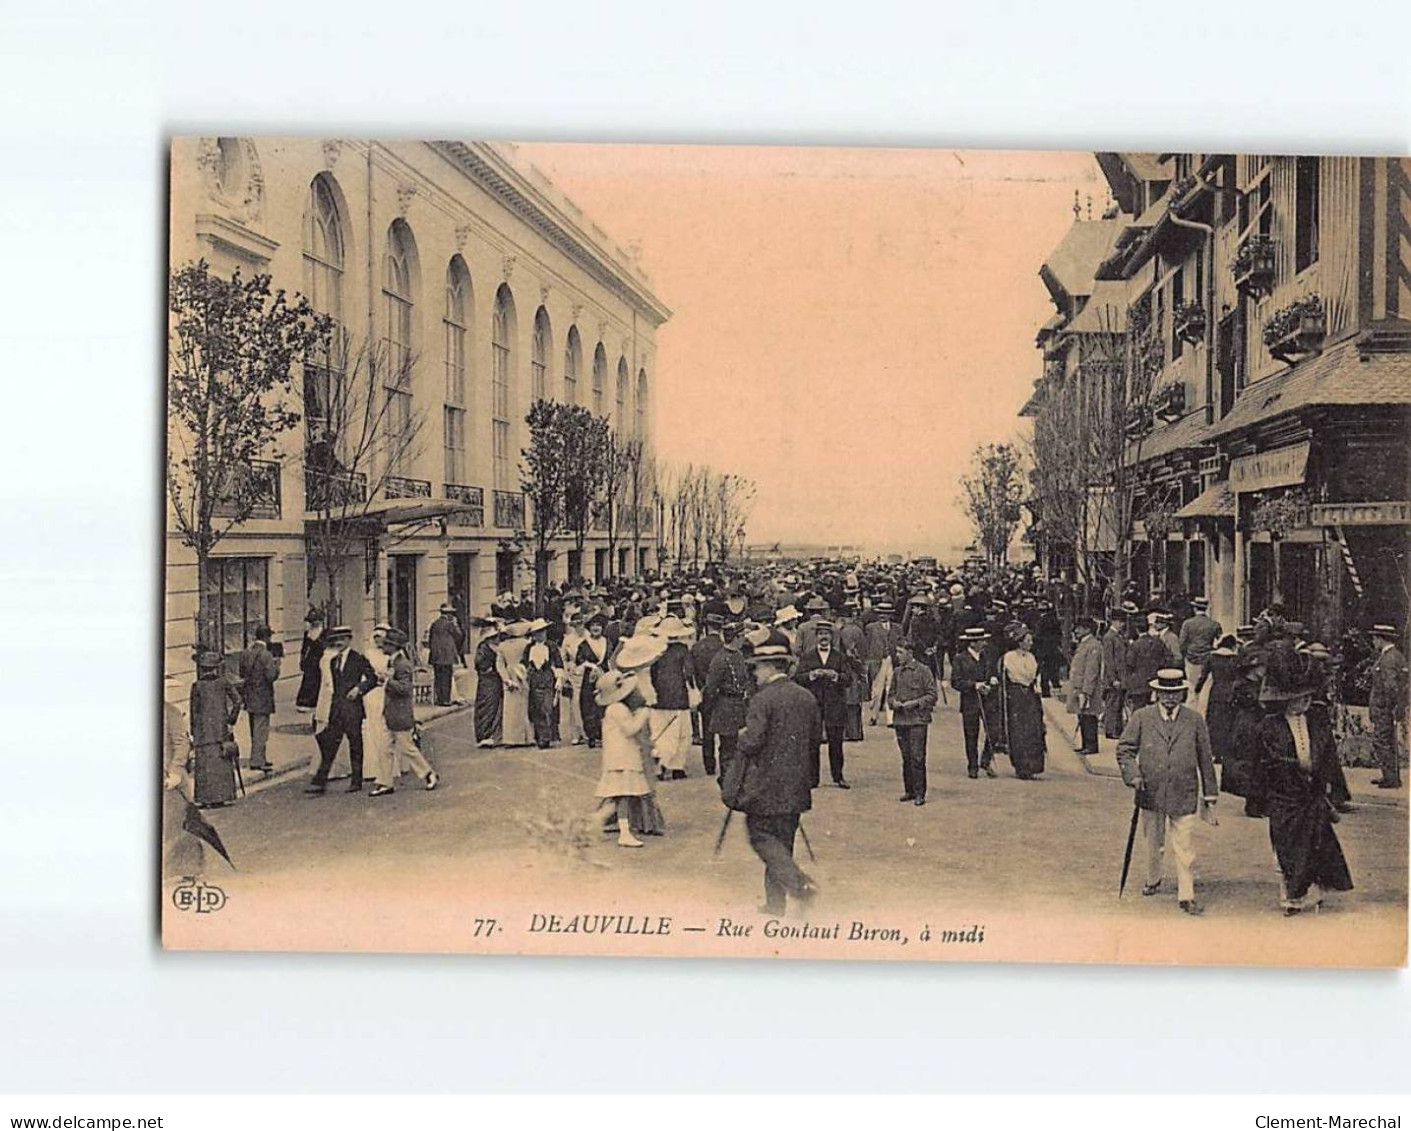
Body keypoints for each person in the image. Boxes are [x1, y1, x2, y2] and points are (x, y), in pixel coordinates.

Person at [730, 629, 822, 916]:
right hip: (797, 785)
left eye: (756, 667)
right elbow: (814, 741)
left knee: (761, 836)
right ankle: (774, 904)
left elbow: (752, 742)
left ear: (769, 666)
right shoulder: (806, 697)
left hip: (765, 786)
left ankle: (798, 886)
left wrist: (742, 735)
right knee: (783, 843)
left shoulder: (762, 699)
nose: (754, 673)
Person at [1116, 668, 1219, 915]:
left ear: (1182, 693)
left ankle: (1187, 894)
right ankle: (1153, 879)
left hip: (1184, 791)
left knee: (1184, 845)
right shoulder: (1142, 717)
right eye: (1165, 693)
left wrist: (1210, 794)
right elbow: (1125, 750)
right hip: (1150, 790)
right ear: (1157, 693)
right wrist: (1133, 776)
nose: (1170, 699)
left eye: (1175, 694)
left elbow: (1206, 758)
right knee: (1154, 841)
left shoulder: (1194, 720)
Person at [1257, 670, 1353, 915]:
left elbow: (1328, 755)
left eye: (1308, 698)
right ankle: (1290, 897)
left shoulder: (1316, 722)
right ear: (1286, 700)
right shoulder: (1270, 725)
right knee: (1286, 847)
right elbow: (1266, 762)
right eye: (1300, 699)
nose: (1305, 703)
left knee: (1314, 844)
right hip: (1285, 795)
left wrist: (1327, 782)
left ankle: (1312, 893)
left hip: (1312, 793)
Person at [589, 633, 669, 842]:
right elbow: (631, 728)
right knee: (625, 791)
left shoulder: (623, 691)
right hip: (623, 755)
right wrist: (644, 713)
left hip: (622, 753)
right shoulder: (621, 704)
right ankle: (628, 826)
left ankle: (605, 821)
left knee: (622, 792)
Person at [304, 626, 379, 795]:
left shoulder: (358, 659)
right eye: (336, 640)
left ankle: (356, 780)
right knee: (328, 742)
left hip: (353, 709)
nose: (338, 642)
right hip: (337, 708)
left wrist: (359, 689)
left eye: (342, 639)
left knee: (355, 744)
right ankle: (320, 782)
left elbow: (372, 678)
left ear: (349, 640)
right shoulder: (332, 661)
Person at [368, 630, 439, 796]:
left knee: (407, 748)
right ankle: (385, 782)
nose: (382, 646)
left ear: (393, 647)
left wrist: (386, 680)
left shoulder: (402, 664)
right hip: (391, 712)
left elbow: (405, 689)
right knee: (385, 748)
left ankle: (429, 774)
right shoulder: (393, 662)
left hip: (400, 713)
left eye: (386, 644)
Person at [794, 619, 859, 789]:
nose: (824, 637)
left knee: (836, 742)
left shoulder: (839, 657)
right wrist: (811, 675)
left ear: (831, 637)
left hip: (834, 703)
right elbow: (798, 678)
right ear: (816, 637)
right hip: (814, 704)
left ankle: (838, 777)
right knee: (812, 742)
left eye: (827, 634)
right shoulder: (808, 657)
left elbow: (848, 679)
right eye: (821, 634)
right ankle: (812, 778)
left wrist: (835, 675)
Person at [189, 650, 241, 808]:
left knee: (205, 766)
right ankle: (223, 796)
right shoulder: (223, 683)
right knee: (221, 764)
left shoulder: (197, 686)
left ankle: (206, 799)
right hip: (220, 731)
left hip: (203, 733)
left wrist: (194, 731)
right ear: (216, 668)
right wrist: (231, 720)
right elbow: (237, 701)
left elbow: (194, 711)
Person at [703, 620, 752, 788]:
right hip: (725, 705)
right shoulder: (719, 659)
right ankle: (726, 780)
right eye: (742, 636)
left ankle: (735, 778)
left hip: (739, 705)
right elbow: (710, 688)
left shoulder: (738, 655)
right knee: (727, 747)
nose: (744, 639)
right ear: (736, 638)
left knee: (739, 744)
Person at [889, 639, 938, 805]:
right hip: (901, 720)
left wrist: (915, 703)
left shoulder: (924, 671)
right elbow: (890, 694)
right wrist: (893, 703)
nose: (897, 656)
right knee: (906, 757)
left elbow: (932, 695)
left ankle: (920, 793)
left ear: (910, 653)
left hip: (918, 720)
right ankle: (909, 790)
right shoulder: (897, 672)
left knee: (917, 757)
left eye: (900, 652)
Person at [649, 615, 697, 780]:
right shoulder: (683, 650)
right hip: (679, 695)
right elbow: (689, 673)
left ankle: (661, 763)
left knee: (661, 732)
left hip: (659, 696)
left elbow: (652, 674)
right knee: (683, 733)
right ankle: (677, 766)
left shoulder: (656, 649)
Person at [999, 623, 1046, 780]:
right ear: (1020, 641)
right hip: (1016, 696)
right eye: (1028, 640)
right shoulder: (1009, 657)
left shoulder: (1032, 657)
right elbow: (1018, 675)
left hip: (1030, 696)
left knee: (1033, 729)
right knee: (1019, 731)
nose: (1030, 643)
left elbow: (1032, 674)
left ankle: (1034, 765)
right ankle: (1021, 766)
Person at [950, 626, 997, 779]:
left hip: (988, 699)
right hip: (970, 701)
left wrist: (991, 681)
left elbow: (992, 673)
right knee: (971, 734)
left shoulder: (987, 656)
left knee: (993, 731)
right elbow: (956, 682)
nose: (984, 643)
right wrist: (974, 685)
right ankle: (973, 765)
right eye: (981, 641)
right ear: (972, 643)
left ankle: (985, 759)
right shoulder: (960, 658)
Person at [1367, 622, 1407, 789]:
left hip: (1383, 708)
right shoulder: (1395, 655)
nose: (1373, 642)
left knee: (1381, 741)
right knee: (1387, 741)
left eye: (1375, 638)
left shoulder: (1388, 658)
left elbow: (1391, 686)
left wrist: (1392, 707)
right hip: (1387, 708)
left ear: (1381, 639)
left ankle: (1390, 778)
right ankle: (1391, 776)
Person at [237, 624, 281, 773]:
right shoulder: (266, 655)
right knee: (261, 730)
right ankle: (257, 760)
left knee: (254, 730)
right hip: (263, 696)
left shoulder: (246, 653)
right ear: (267, 637)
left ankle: (259, 757)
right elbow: (271, 676)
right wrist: (277, 665)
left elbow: (241, 673)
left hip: (250, 696)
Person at [691, 614, 726, 775]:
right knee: (725, 730)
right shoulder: (725, 647)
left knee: (707, 730)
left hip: (705, 691)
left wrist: (701, 687)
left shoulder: (697, 647)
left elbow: (691, 672)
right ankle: (725, 762)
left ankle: (709, 764)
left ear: (706, 627)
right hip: (724, 693)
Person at [524, 619, 564, 749]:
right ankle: (540, 736)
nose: (540, 635)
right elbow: (524, 663)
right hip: (534, 679)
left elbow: (559, 664)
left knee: (548, 707)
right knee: (536, 708)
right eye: (537, 632)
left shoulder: (551, 646)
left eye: (542, 631)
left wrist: (559, 680)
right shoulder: (529, 648)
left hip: (548, 678)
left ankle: (547, 736)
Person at [1178, 597, 1223, 712]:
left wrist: (1184, 657)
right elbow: (1220, 642)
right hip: (1207, 659)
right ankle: (1202, 712)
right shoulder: (1214, 624)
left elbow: (1182, 644)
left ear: (1194, 608)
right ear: (1206, 608)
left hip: (1191, 659)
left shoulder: (1187, 624)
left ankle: (1191, 711)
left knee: (1192, 687)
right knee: (1205, 688)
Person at [1066, 617, 1102, 756]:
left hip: (1086, 688)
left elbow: (1091, 670)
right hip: (1079, 687)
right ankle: (1085, 743)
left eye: (1079, 628)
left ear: (1087, 629)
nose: (1076, 631)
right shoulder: (1083, 644)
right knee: (1082, 716)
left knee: (1089, 716)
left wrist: (1087, 691)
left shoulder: (1093, 645)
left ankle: (1091, 745)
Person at [576, 614, 611, 749]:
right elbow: (579, 660)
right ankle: (591, 735)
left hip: (605, 675)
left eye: (598, 626)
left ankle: (604, 734)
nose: (596, 628)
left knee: (605, 704)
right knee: (589, 705)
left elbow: (610, 658)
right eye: (593, 626)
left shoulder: (607, 642)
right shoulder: (584, 644)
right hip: (590, 677)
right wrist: (591, 666)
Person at [496, 622, 533, 748]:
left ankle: (511, 738)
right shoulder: (526, 644)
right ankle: (527, 737)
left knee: (510, 709)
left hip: (509, 674)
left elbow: (500, 665)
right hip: (522, 674)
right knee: (524, 706)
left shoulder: (502, 646)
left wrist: (506, 680)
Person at [472, 619, 506, 748]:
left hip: (496, 679)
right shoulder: (483, 647)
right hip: (487, 680)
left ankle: (494, 734)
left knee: (496, 706)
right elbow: (479, 664)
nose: (498, 638)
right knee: (486, 706)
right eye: (495, 636)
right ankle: (484, 734)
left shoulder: (498, 647)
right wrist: (489, 669)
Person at [426, 603, 465, 707]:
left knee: (438, 677)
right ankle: (445, 700)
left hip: (436, 656)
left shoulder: (435, 623)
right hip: (447, 655)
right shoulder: (450, 624)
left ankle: (440, 698)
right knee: (446, 677)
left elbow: (430, 640)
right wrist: (456, 625)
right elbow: (459, 635)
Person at [295, 608, 326, 718]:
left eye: (315, 621)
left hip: (320, 661)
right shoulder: (307, 633)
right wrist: (302, 660)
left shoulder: (325, 633)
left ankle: (315, 703)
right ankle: (306, 702)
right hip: (309, 662)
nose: (313, 623)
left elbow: (325, 648)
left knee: (318, 683)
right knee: (308, 681)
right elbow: (304, 648)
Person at [1033, 601, 1064, 698]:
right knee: (1053, 668)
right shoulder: (1055, 620)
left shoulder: (1040, 621)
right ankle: (1056, 685)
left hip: (1043, 649)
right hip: (1053, 648)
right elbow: (1059, 634)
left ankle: (1046, 691)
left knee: (1044, 670)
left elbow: (1037, 635)